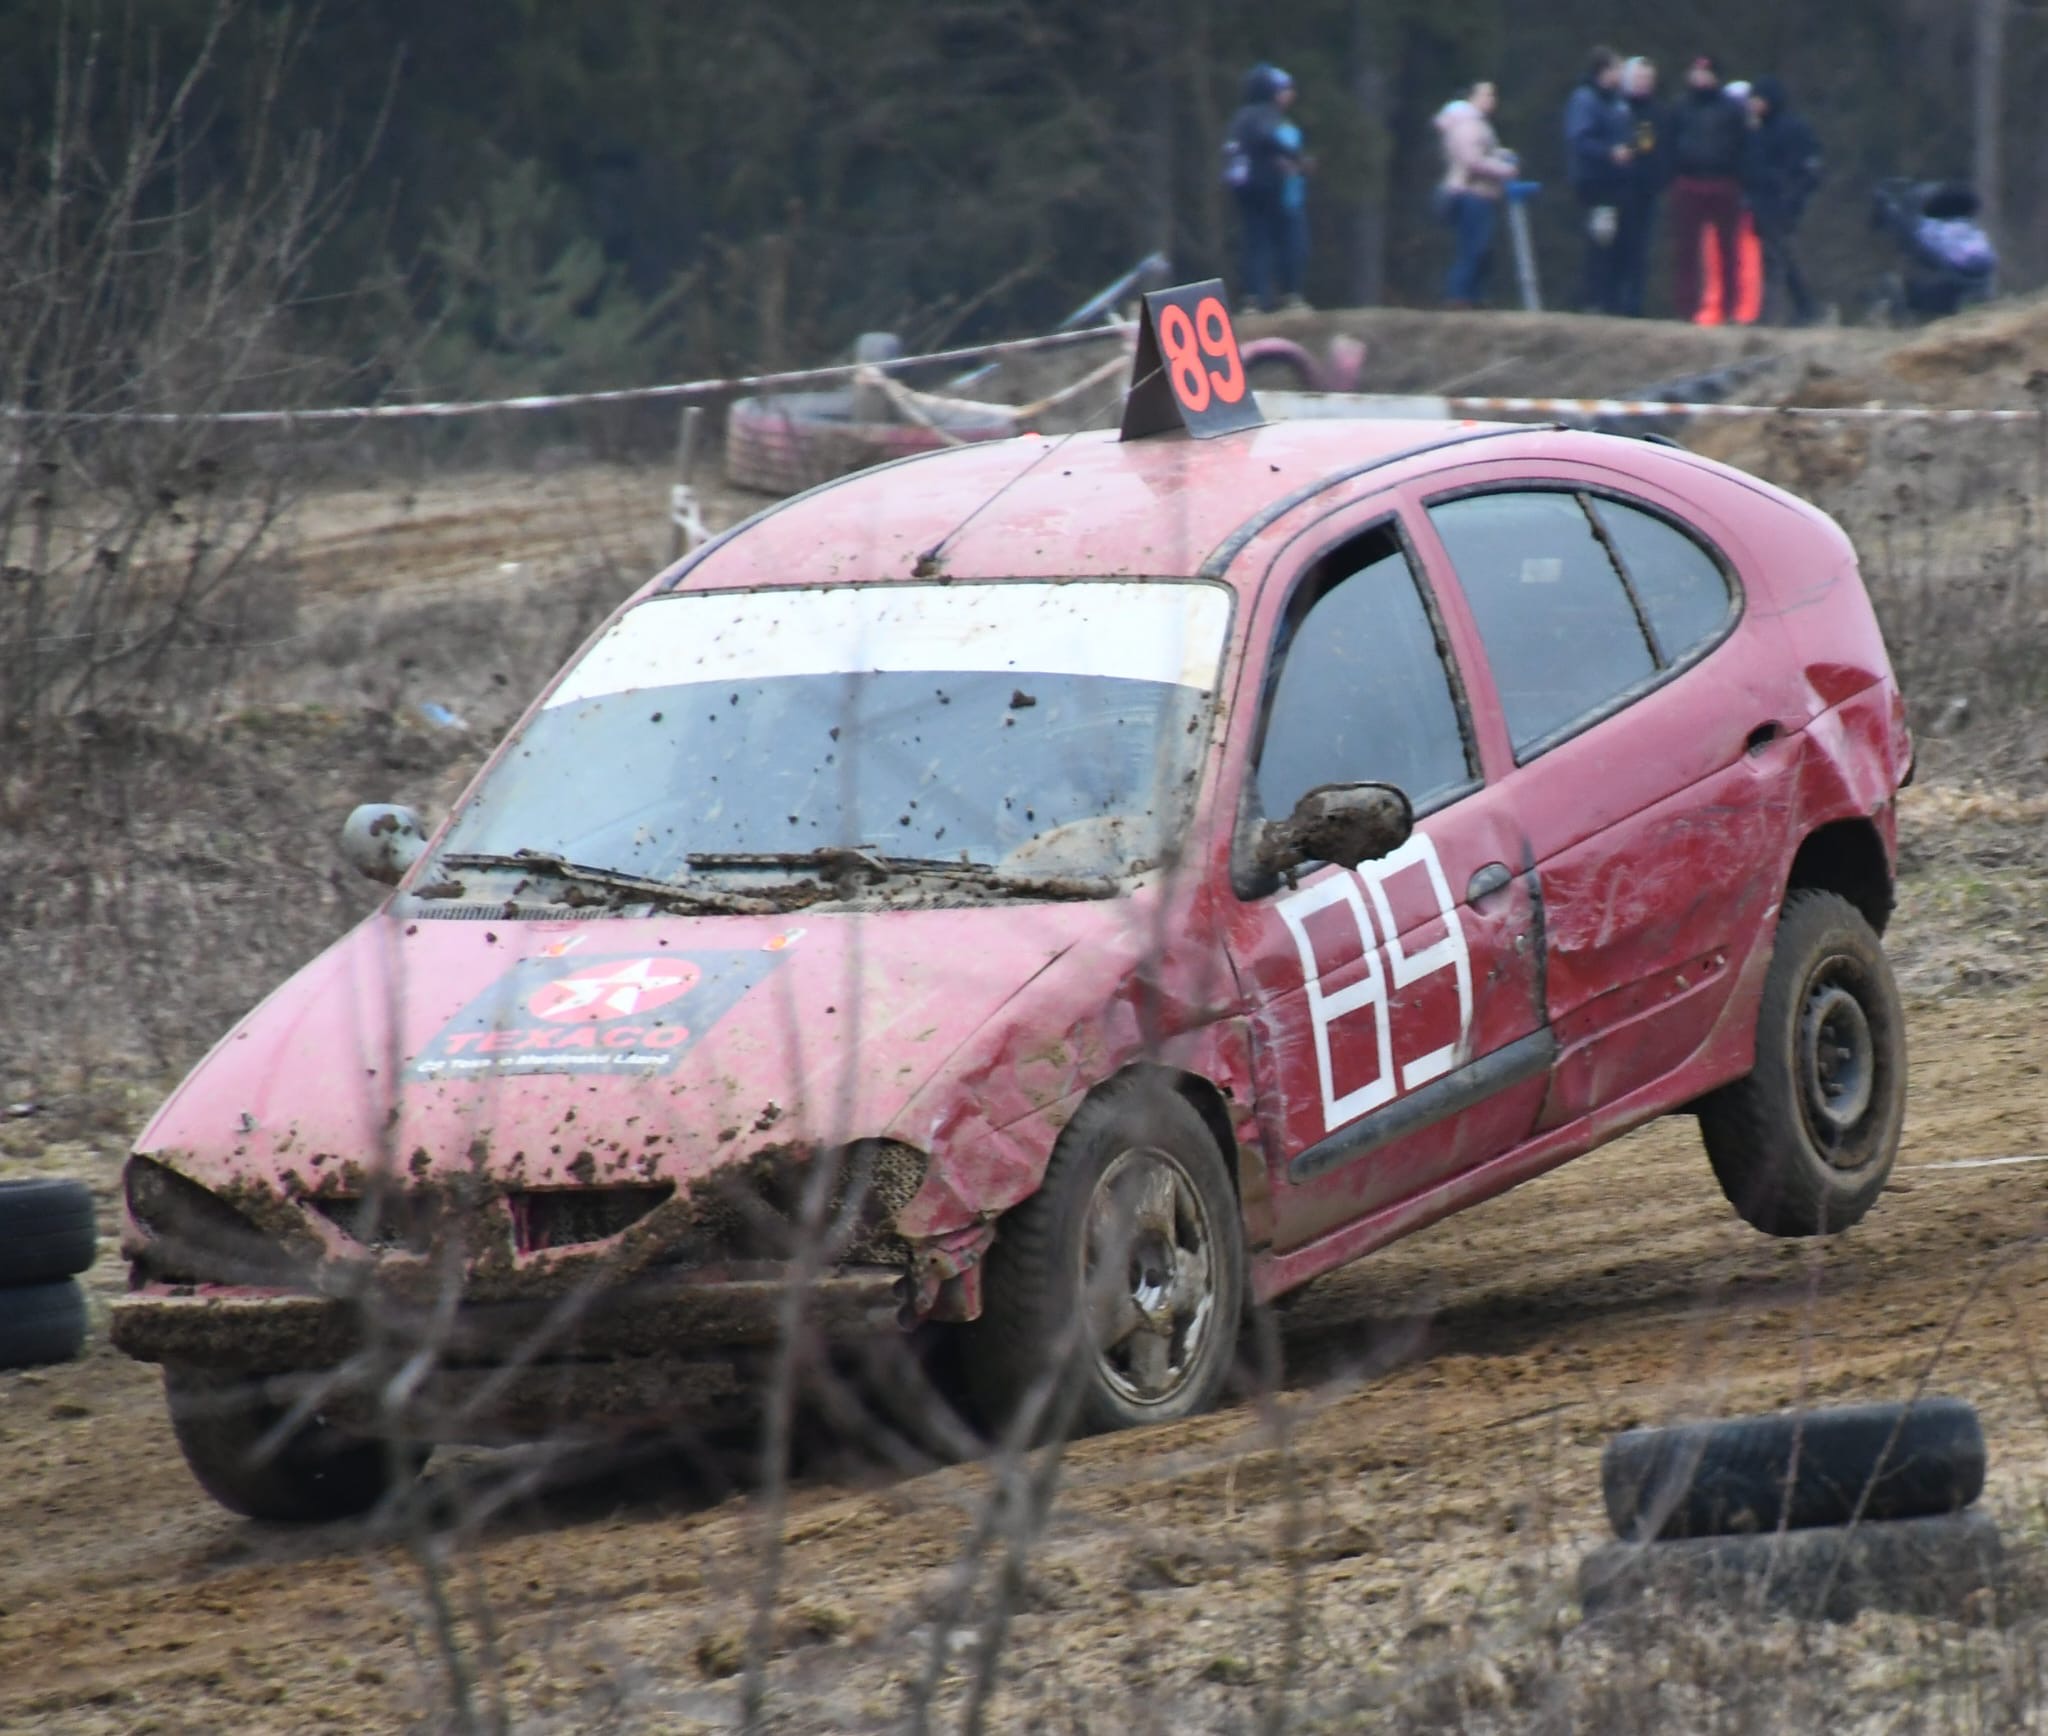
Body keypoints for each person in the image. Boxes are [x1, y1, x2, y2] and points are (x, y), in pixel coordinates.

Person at [1223, 64, 1310, 312]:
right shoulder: (1265, 114)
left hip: (1242, 186)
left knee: (1254, 241)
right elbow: (1265, 137)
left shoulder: (1240, 117)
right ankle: (1289, 295)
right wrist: (1294, 156)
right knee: (1286, 239)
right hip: (1266, 186)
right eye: (1284, 90)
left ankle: (1252, 298)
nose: (1289, 95)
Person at [1668, 55, 1748, 324]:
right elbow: (1667, 142)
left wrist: (1739, 178)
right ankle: (1686, 309)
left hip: (1723, 182)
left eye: (1706, 73)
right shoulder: (1680, 107)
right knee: (1686, 250)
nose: (1701, 78)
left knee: (1729, 250)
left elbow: (1743, 145)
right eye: (1696, 72)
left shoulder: (1731, 109)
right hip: (1689, 181)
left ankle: (1730, 308)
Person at [1742, 76, 1823, 324]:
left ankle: (1772, 315)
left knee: (1776, 259)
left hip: (1783, 201)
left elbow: (1809, 169)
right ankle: (1806, 308)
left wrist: (1793, 197)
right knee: (1781, 257)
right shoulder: (1756, 131)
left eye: (1758, 99)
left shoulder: (1792, 128)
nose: (1753, 104)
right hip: (1762, 201)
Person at [1435, 81, 1519, 309]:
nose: (1492, 100)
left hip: (1478, 194)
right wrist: (1504, 169)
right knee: (1474, 248)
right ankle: (1460, 297)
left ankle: (1472, 296)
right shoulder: (1468, 123)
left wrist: (1500, 154)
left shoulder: (1474, 123)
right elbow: (1472, 160)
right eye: (1486, 95)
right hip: (1471, 193)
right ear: (1472, 97)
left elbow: (1481, 152)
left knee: (1480, 249)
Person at [1563, 47, 1633, 313]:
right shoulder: (1585, 99)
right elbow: (1579, 140)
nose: (1622, 74)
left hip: (1619, 182)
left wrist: (1634, 148)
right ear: (1604, 71)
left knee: (1617, 243)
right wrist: (1609, 152)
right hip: (1595, 182)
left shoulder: (1619, 102)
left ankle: (1612, 300)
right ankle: (1592, 300)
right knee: (1598, 240)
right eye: (1618, 68)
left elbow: (1634, 133)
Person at [1612, 57, 1669, 317]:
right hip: (1616, 187)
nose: (1643, 83)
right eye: (1638, 78)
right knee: (1614, 246)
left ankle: (1633, 303)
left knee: (1639, 248)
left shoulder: (1655, 111)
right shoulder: (1616, 107)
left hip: (1644, 189)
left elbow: (1650, 147)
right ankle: (1609, 299)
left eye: (1648, 78)